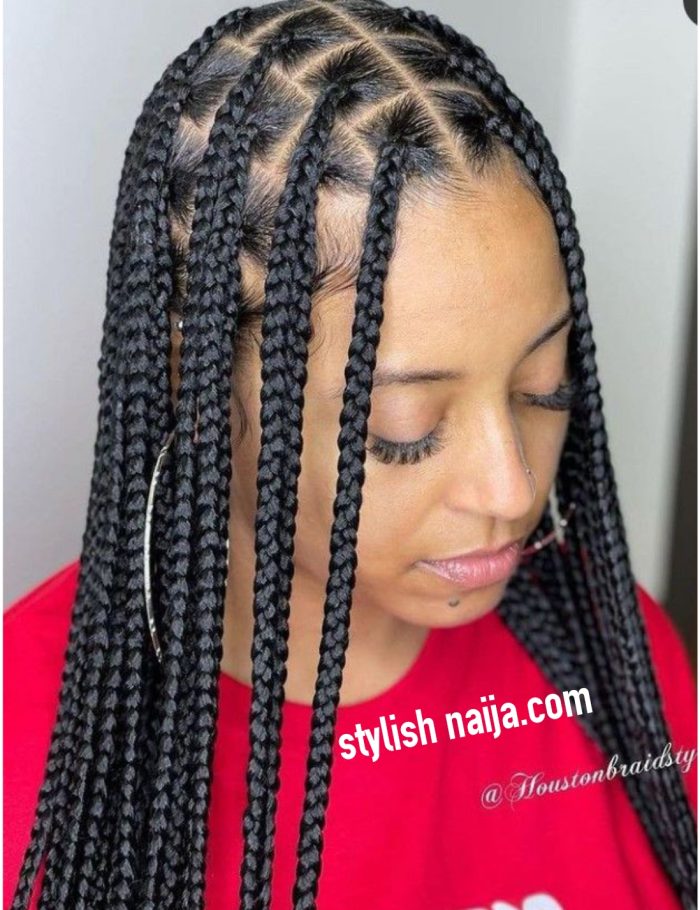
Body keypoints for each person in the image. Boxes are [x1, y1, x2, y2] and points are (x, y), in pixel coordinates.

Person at [4, 1, 697, 909]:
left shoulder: (608, 650)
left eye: (544, 387)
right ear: (197, 386)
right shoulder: (27, 746)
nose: (512, 489)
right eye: (406, 429)